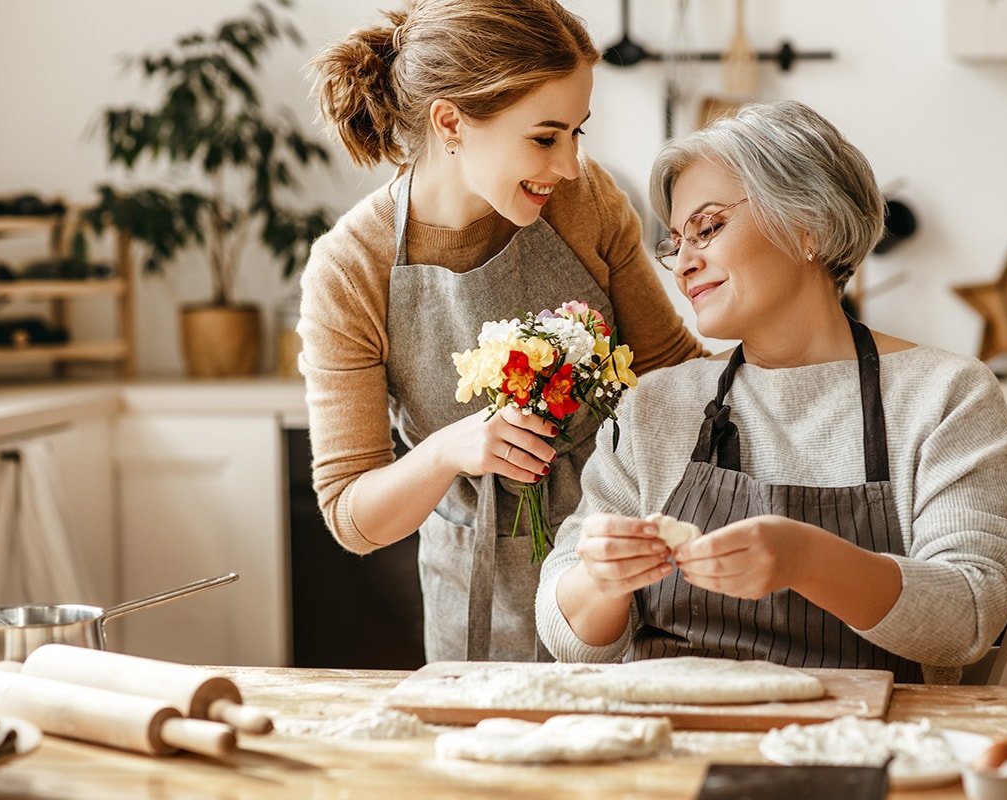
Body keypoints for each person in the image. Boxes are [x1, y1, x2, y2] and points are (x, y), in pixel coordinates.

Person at [535, 100, 1007, 684]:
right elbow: (567, 634)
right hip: (670, 726)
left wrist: (807, 558)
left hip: (868, 730)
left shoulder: (945, 395)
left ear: (810, 225)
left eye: (708, 228)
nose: (683, 264)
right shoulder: (654, 404)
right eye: (676, 242)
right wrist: (601, 580)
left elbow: (968, 616)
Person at [298, 0, 704, 664]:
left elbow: (674, 376)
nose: (569, 164)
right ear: (451, 123)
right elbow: (353, 517)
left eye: (576, 133)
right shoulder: (351, 268)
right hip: (477, 601)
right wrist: (448, 452)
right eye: (545, 138)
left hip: (622, 567)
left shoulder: (583, 200)